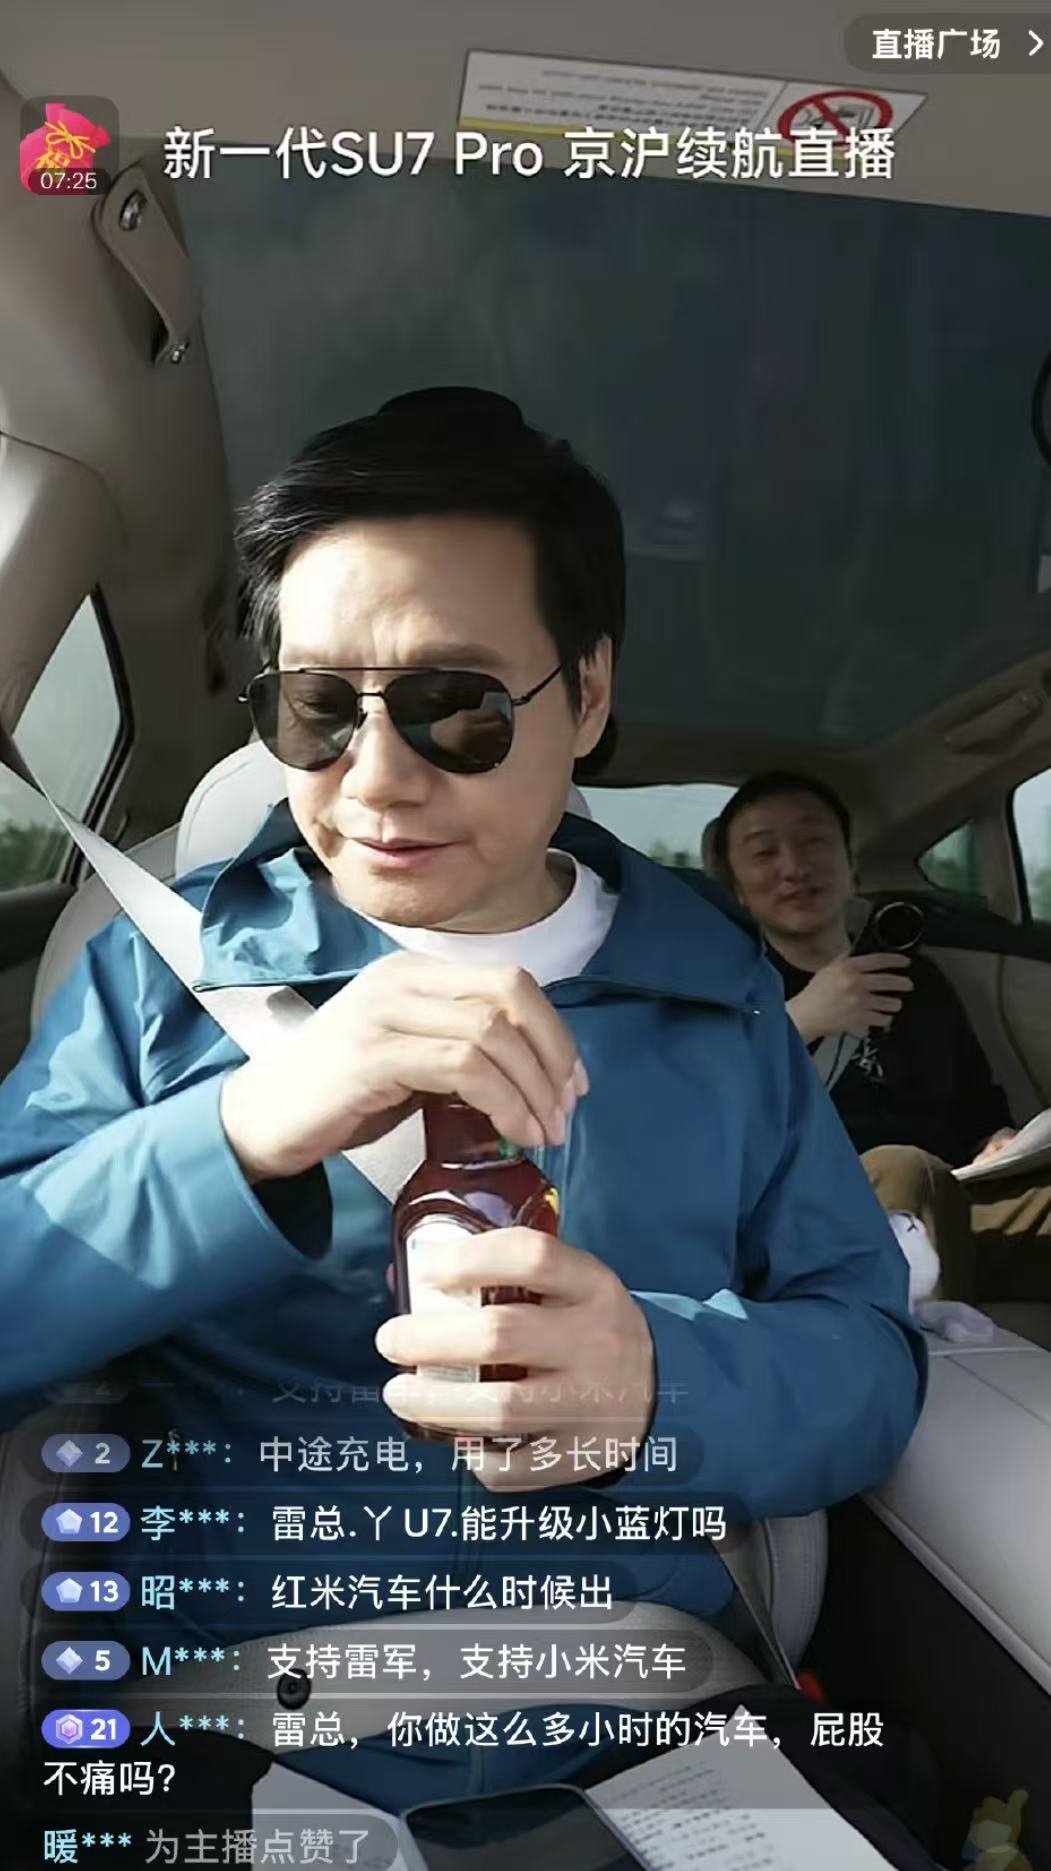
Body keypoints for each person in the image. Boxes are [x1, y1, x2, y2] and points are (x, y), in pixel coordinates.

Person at [0, 394, 927, 1837]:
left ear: (587, 695)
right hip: (235, 1730)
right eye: (318, 709)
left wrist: (656, 1386)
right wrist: (242, 1131)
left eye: (458, 707)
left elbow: (864, 1354)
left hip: (657, 1718)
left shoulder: (721, 996)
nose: (376, 778)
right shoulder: (156, 978)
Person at [711, 770, 1051, 1304]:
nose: (793, 866)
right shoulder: (727, 990)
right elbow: (703, 1109)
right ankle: (906, 1345)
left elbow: (979, 1105)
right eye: (763, 852)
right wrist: (799, 1020)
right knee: (901, 1169)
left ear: (851, 865)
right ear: (737, 890)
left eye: (813, 841)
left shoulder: (918, 980)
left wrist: (998, 1141)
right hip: (818, 1218)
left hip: (955, 1198)